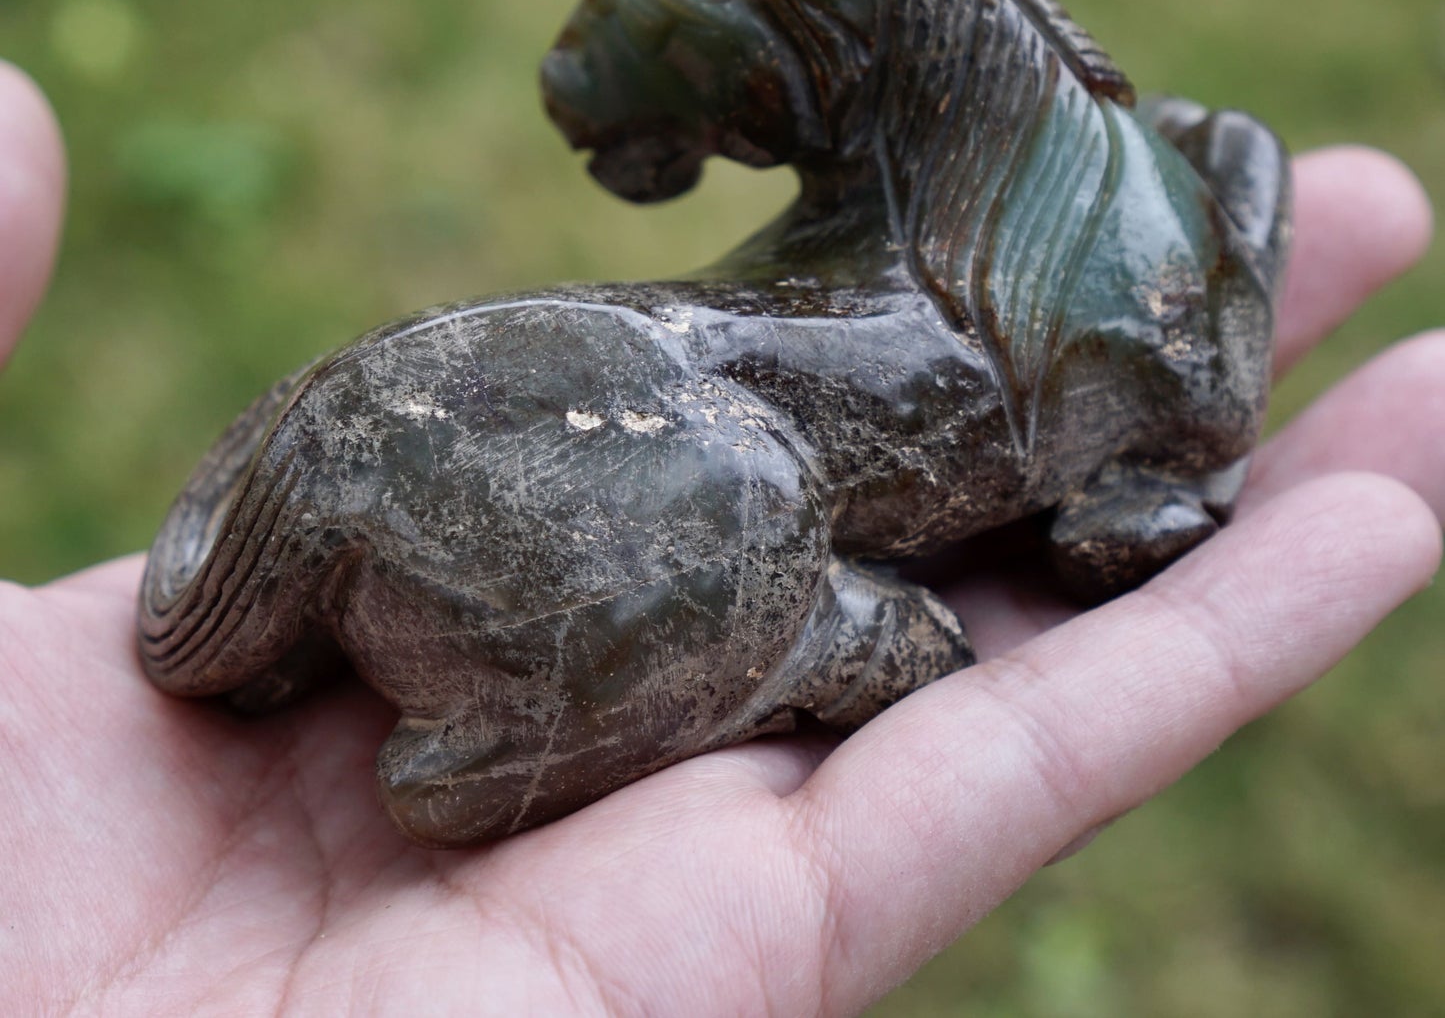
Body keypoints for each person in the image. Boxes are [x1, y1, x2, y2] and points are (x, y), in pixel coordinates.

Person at [1, 58, 1441, 1016]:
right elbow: (1107, 532)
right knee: (743, 501)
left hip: (403, 439)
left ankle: (363, 636)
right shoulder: (1027, 322)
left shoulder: (1003, 293)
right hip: (494, 469)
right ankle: (526, 725)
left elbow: (1110, 522)